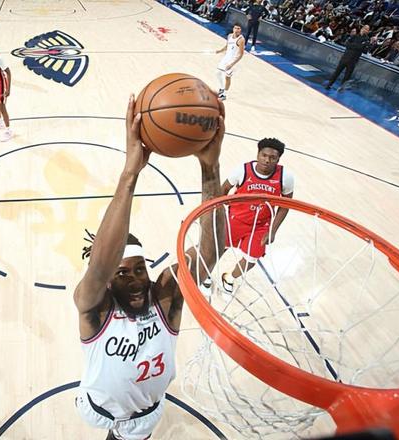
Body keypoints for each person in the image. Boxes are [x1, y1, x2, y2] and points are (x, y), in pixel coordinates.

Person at [74, 94, 226, 440]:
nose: (134, 281)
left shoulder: (166, 297)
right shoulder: (95, 307)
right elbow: (99, 266)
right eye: (122, 273)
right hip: (99, 407)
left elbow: (211, 250)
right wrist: (130, 173)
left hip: (144, 415)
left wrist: (210, 169)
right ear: (108, 280)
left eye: (139, 269)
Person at [218, 138, 294, 293]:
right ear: (258, 154)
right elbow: (223, 189)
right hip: (235, 219)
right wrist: (218, 215)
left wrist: (273, 230)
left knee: (251, 259)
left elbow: (285, 206)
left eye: (272, 158)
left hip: (261, 225)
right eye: (264, 155)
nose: (267, 160)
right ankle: (206, 274)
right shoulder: (242, 170)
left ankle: (229, 277)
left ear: (278, 159)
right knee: (218, 249)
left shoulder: (285, 177)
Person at [325, 24, 370, 91]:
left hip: (353, 60)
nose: (365, 30)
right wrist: (357, 46)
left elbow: (363, 49)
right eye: (364, 28)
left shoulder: (367, 39)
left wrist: (355, 46)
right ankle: (329, 84)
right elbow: (347, 44)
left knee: (347, 76)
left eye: (367, 29)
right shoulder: (355, 36)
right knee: (337, 72)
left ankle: (341, 88)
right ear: (362, 28)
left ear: (368, 31)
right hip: (345, 57)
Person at [215, 23, 245, 101]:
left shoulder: (241, 40)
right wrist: (220, 50)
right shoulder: (229, 36)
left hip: (233, 61)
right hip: (226, 58)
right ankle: (222, 88)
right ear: (233, 29)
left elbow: (241, 54)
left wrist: (232, 64)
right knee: (217, 73)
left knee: (227, 77)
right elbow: (227, 46)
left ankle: (224, 95)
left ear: (240, 30)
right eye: (235, 28)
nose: (237, 30)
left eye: (238, 28)